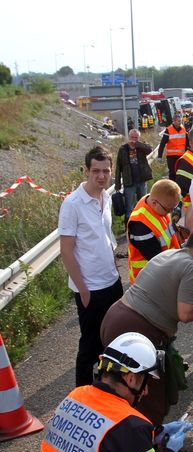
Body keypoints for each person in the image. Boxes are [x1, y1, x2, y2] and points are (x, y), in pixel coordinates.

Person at [101, 225, 193, 425]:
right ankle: (150, 448)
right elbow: (185, 313)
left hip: (116, 317)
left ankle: (129, 441)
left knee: (121, 390)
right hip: (139, 327)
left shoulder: (169, 254)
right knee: (148, 395)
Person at [34, 333, 186, 452]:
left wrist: (152, 435)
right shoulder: (130, 427)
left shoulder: (75, 396)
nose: (145, 391)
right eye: (144, 382)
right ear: (131, 378)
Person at [59, 146, 124, 387]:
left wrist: (116, 270)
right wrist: (83, 290)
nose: (101, 175)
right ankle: (83, 396)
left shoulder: (105, 196)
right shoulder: (73, 204)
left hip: (111, 281)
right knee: (89, 347)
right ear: (86, 170)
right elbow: (66, 250)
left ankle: (109, 389)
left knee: (115, 339)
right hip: (90, 287)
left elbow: (105, 239)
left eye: (105, 171)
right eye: (95, 170)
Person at [127, 179, 182, 284]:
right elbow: (158, 260)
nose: (170, 212)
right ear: (154, 203)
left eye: (173, 208)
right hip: (147, 281)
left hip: (163, 270)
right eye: (168, 209)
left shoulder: (156, 200)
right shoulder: (140, 227)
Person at [114, 129, 153, 225]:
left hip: (141, 181)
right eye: (132, 137)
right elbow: (118, 167)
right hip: (129, 182)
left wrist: (138, 144)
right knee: (129, 208)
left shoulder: (141, 147)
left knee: (143, 204)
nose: (134, 139)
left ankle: (143, 223)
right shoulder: (123, 149)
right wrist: (117, 184)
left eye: (136, 137)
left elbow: (150, 149)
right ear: (128, 137)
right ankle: (129, 226)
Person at [158, 112, 187, 181]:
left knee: (181, 173)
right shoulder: (168, 130)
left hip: (182, 155)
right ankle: (172, 188)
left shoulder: (183, 129)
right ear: (173, 121)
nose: (180, 122)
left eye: (180, 121)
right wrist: (159, 156)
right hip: (171, 156)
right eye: (178, 121)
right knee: (172, 173)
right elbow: (162, 144)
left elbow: (187, 142)